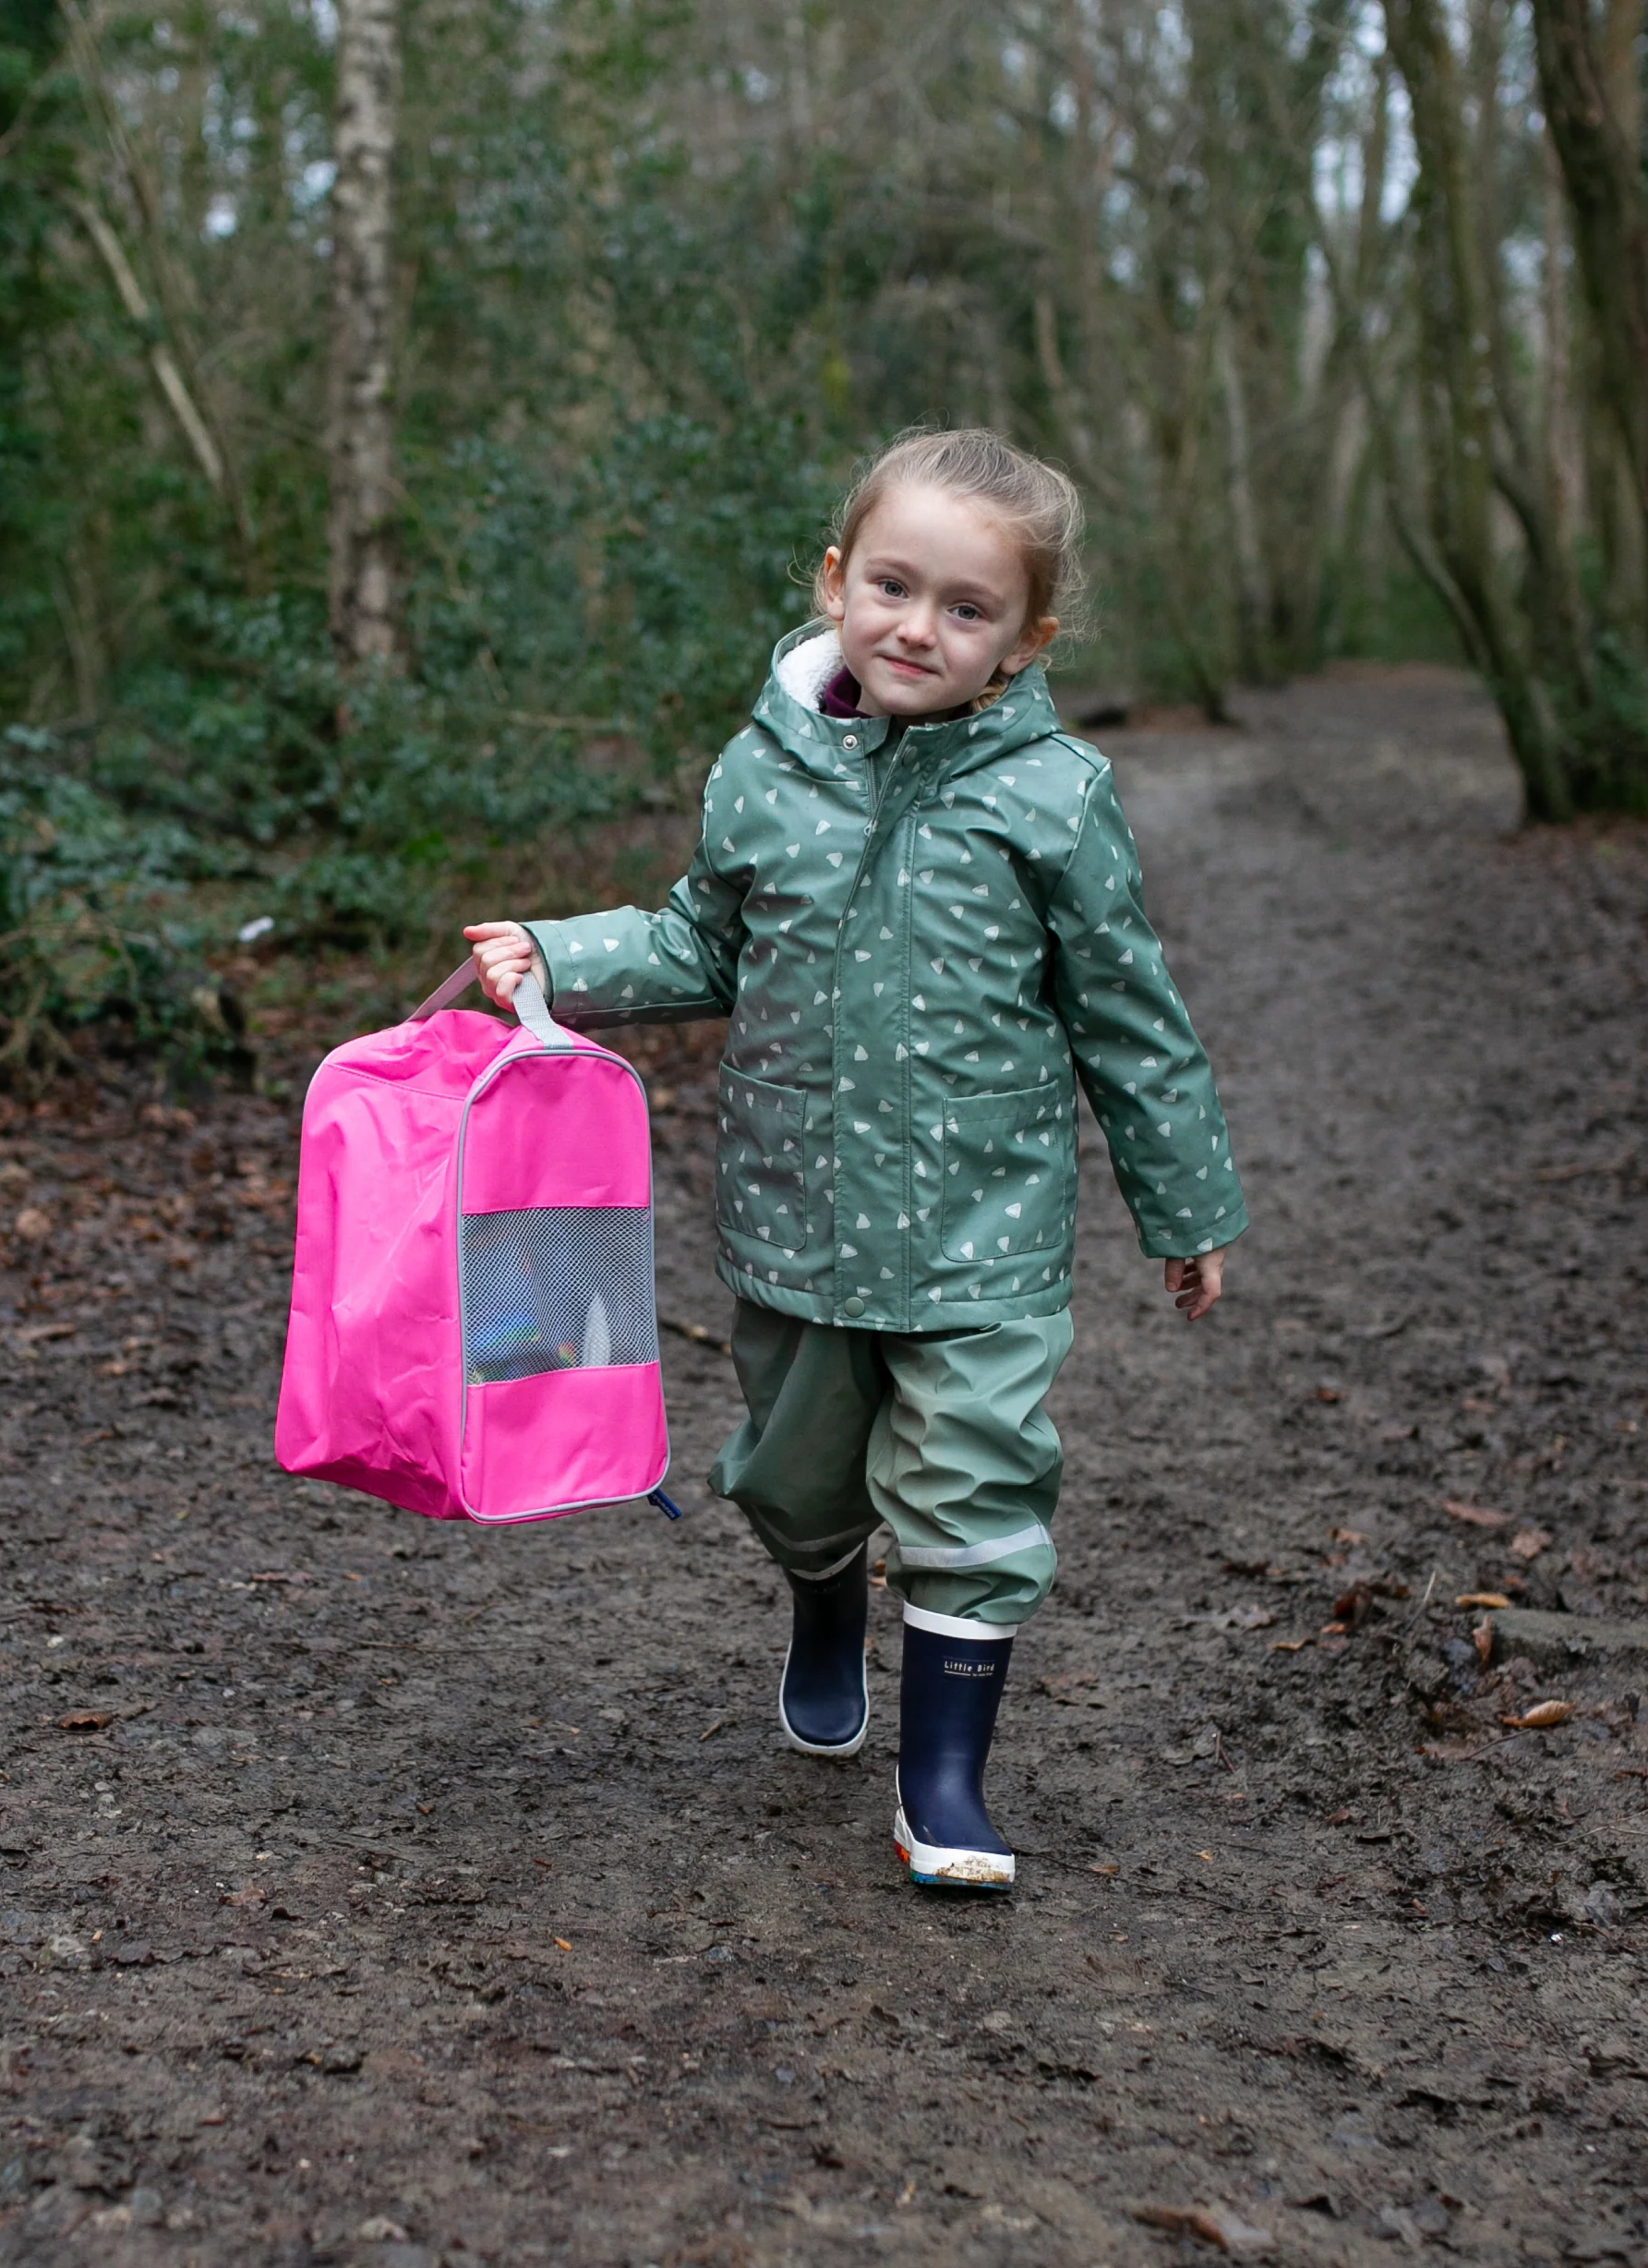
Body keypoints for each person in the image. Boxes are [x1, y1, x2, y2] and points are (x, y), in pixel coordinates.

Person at [462, 428, 1246, 1888]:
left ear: (1024, 640)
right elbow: (705, 938)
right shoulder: (764, 771)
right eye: (894, 586)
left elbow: (1128, 1013)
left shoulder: (1053, 798)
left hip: (983, 1238)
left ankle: (943, 1785)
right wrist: (558, 954)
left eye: (968, 608)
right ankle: (825, 1611)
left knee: (974, 1489)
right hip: (797, 1222)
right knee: (795, 1478)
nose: (919, 629)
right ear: (836, 582)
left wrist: (1183, 1205)